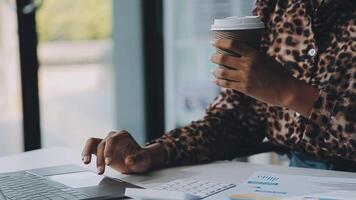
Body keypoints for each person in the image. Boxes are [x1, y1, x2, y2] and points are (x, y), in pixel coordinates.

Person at [82, 0, 356, 174]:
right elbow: (235, 120)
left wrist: (290, 92)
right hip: (297, 180)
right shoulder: (278, 7)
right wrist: (151, 154)